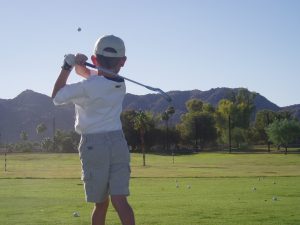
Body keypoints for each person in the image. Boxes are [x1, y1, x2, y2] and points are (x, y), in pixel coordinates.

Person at [51, 35, 135, 225]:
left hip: (94, 146)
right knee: (120, 201)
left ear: (95, 59)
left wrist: (67, 66)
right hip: (118, 143)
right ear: (123, 62)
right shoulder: (120, 83)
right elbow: (91, 75)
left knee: (101, 203)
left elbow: (56, 97)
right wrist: (80, 65)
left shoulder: (87, 87)